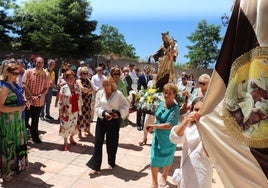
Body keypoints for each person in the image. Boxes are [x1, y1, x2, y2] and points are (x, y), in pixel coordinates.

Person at [87, 77, 130, 175]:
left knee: (112, 143)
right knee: (98, 142)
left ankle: (111, 162)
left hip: (114, 121)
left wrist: (118, 114)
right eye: (104, 85)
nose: (105, 87)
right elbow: (96, 107)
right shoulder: (99, 93)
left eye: (107, 85)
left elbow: (126, 105)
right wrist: (103, 113)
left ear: (112, 85)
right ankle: (95, 167)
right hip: (102, 119)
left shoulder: (118, 94)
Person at [170, 97, 212, 188]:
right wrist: (186, 121)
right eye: (196, 109)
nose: (198, 113)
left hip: (201, 175)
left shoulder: (213, 130)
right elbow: (174, 138)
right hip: (185, 171)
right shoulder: (189, 127)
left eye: (202, 110)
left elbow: (209, 153)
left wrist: (202, 127)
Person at [146, 83, 180, 188]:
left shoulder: (175, 109)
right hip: (158, 136)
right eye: (165, 93)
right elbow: (158, 118)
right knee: (154, 157)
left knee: (168, 158)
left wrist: (154, 126)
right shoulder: (161, 104)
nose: (167, 95)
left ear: (174, 95)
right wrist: (154, 126)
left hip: (169, 138)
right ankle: (154, 182)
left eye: (169, 93)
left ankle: (164, 175)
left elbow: (169, 125)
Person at [0, 63, 29, 182]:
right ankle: (6, 173)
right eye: (15, 73)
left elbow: (18, 98)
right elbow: (0, 107)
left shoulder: (15, 84)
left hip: (18, 120)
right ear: (7, 72)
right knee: (9, 146)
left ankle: (14, 168)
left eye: (19, 73)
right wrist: (17, 108)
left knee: (17, 144)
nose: (17, 76)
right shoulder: (4, 87)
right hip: (8, 122)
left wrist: (24, 101)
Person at [22, 56, 50, 143]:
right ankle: (23, 137)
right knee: (25, 119)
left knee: (35, 120)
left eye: (41, 63)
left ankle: (35, 137)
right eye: (38, 62)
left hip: (39, 101)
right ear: (35, 63)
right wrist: (31, 96)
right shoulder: (28, 72)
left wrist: (40, 95)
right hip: (28, 100)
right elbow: (24, 84)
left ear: (43, 64)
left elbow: (46, 88)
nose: (39, 64)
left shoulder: (46, 75)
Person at [58, 70, 82, 151]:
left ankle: (71, 138)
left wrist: (80, 110)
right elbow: (60, 101)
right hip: (66, 111)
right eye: (69, 78)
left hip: (75, 110)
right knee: (65, 126)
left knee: (73, 125)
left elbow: (80, 98)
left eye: (72, 78)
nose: (71, 79)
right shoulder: (63, 88)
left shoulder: (77, 87)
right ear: (66, 79)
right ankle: (65, 142)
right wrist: (60, 112)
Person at [76, 67, 95, 138]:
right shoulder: (78, 80)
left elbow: (93, 89)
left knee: (87, 115)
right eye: (83, 73)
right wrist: (88, 91)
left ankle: (87, 130)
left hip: (88, 101)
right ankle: (79, 132)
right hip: (81, 101)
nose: (85, 75)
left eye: (86, 73)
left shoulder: (89, 80)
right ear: (80, 74)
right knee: (80, 116)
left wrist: (88, 91)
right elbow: (82, 89)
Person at [136, 65, 152, 131]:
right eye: (146, 69)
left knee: (146, 110)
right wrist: (143, 92)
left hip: (148, 96)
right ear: (144, 70)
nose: (148, 70)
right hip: (141, 95)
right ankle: (138, 124)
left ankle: (144, 124)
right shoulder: (140, 77)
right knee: (139, 110)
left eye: (149, 69)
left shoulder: (150, 77)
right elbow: (138, 86)